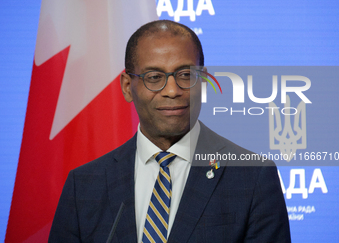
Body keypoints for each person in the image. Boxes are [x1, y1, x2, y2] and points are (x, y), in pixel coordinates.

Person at [49, 20, 291, 243]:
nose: (173, 90)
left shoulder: (253, 176)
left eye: (186, 75)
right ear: (127, 87)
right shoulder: (83, 186)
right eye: (154, 77)